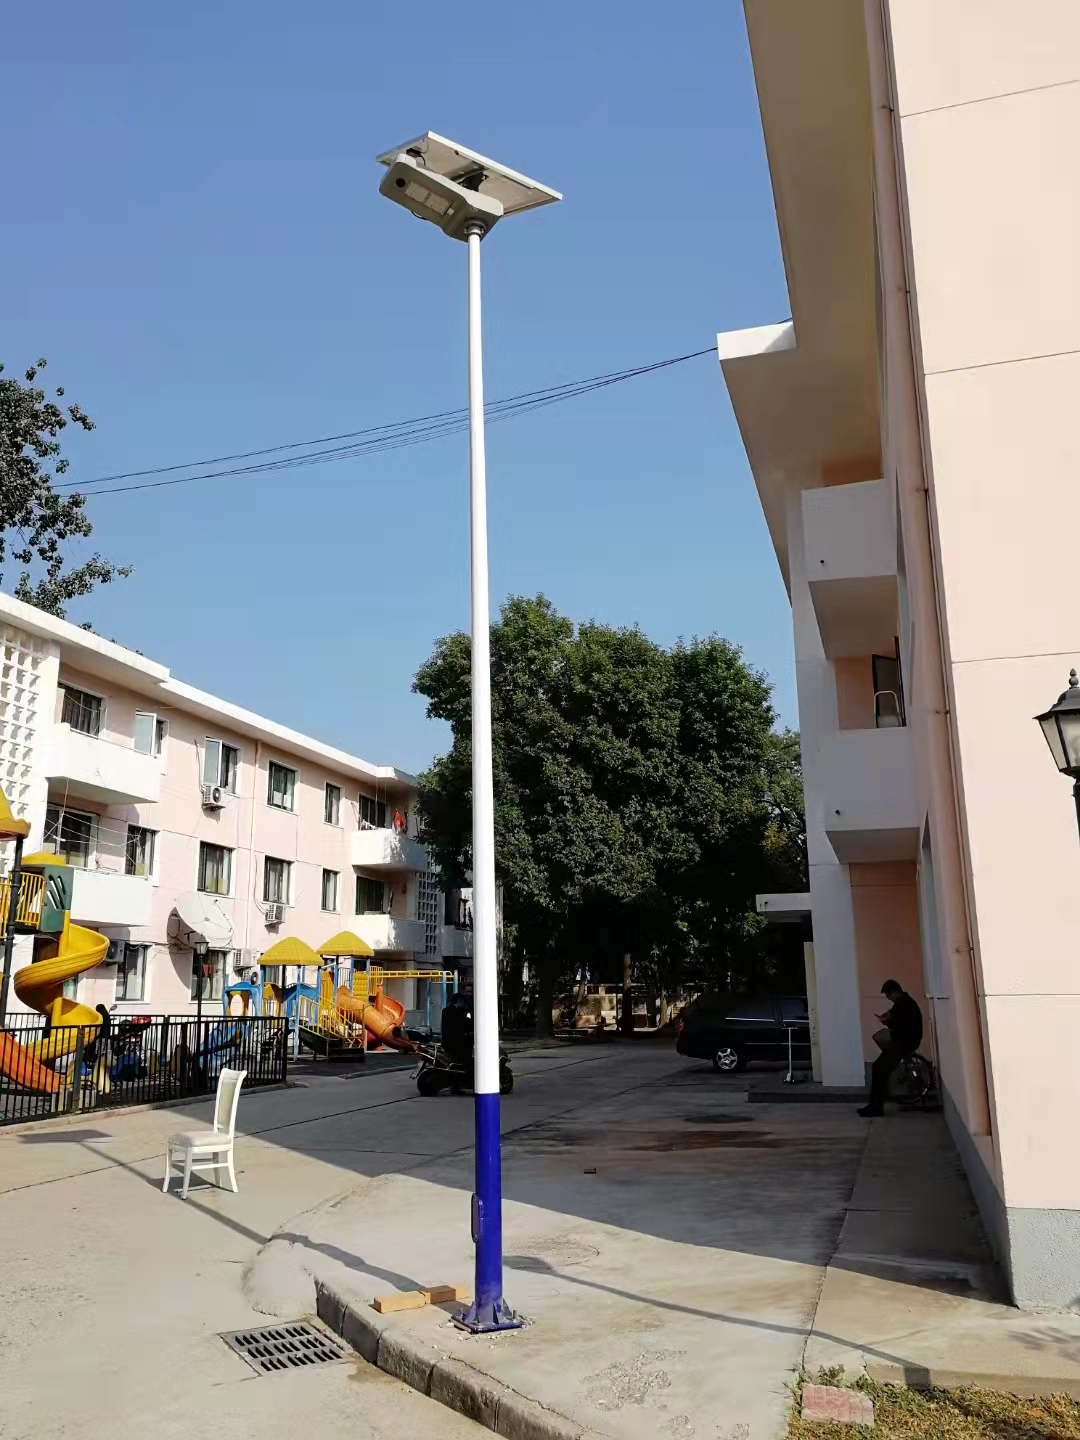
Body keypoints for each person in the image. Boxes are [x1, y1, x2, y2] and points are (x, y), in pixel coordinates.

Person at [858, 979, 923, 1117]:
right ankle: (874, 1104)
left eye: (888, 995)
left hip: (903, 1043)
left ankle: (876, 1106)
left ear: (894, 992)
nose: (888, 998)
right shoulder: (904, 1002)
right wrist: (888, 1018)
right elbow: (895, 1017)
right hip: (903, 1041)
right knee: (879, 1068)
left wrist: (886, 1021)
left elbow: (898, 1024)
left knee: (879, 1069)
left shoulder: (904, 1005)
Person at [440, 990, 474, 1068]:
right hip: (456, 1042)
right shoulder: (455, 1012)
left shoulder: (448, 1011)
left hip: (450, 1041)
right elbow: (463, 1025)